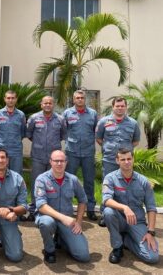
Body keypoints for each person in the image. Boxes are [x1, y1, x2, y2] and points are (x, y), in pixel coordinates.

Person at [102, 148, 159, 264]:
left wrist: (151, 232)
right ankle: (117, 247)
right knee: (108, 212)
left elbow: (151, 208)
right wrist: (125, 208)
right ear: (117, 161)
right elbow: (106, 200)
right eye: (123, 159)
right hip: (119, 220)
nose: (126, 162)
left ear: (133, 159)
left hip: (137, 222)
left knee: (152, 257)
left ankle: (126, 240)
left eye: (129, 159)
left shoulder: (143, 181)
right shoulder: (110, 178)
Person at [34, 150, 90, 264]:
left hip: (67, 221)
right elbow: (41, 206)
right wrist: (62, 217)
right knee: (46, 223)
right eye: (56, 161)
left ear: (66, 162)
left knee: (83, 256)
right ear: (51, 162)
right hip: (48, 217)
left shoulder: (73, 179)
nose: (59, 164)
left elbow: (83, 200)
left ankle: (60, 238)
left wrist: (79, 221)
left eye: (62, 161)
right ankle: (49, 250)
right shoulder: (42, 179)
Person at [96, 97, 140, 226]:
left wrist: (125, 155)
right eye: (117, 106)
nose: (120, 108)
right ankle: (105, 214)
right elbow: (99, 138)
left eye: (122, 106)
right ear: (113, 107)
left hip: (126, 161)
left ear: (126, 107)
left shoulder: (133, 123)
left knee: (125, 187)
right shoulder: (104, 121)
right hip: (109, 160)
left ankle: (124, 213)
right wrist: (108, 148)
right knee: (107, 186)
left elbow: (136, 141)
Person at [26, 96, 66, 221]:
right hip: (38, 156)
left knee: (53, 183)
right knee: (36, 182)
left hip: (54, 159)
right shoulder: (33, 118)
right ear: (41, 104)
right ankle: (33, 209)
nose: (48, 105)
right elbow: (29, 134)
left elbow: (62, 135)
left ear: (53, 104)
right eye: (45, 103)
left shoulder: (60, 119)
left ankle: (51, 210)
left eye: (50, 103)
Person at [62, 89, 98, 221]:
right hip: (72, 152)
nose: (80, 99)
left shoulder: (93, 114)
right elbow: (63, 130)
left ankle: (90, 209)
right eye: (77, 97)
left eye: (82, 97)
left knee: (89, 181)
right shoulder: (67, 113)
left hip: (88, 152)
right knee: (69, 181)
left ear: (85, 99)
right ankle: (67, 208)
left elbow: (96, 130)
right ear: (73, 99)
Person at [0, 90, 26, 175]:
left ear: (16, 99)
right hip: (1, 150)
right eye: (8, 98)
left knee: (16, 175)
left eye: (12, 98)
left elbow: (23, 132)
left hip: (16, 151)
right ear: (5, 99)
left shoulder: (21, 115)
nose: (10, 100)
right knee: (0, 174)